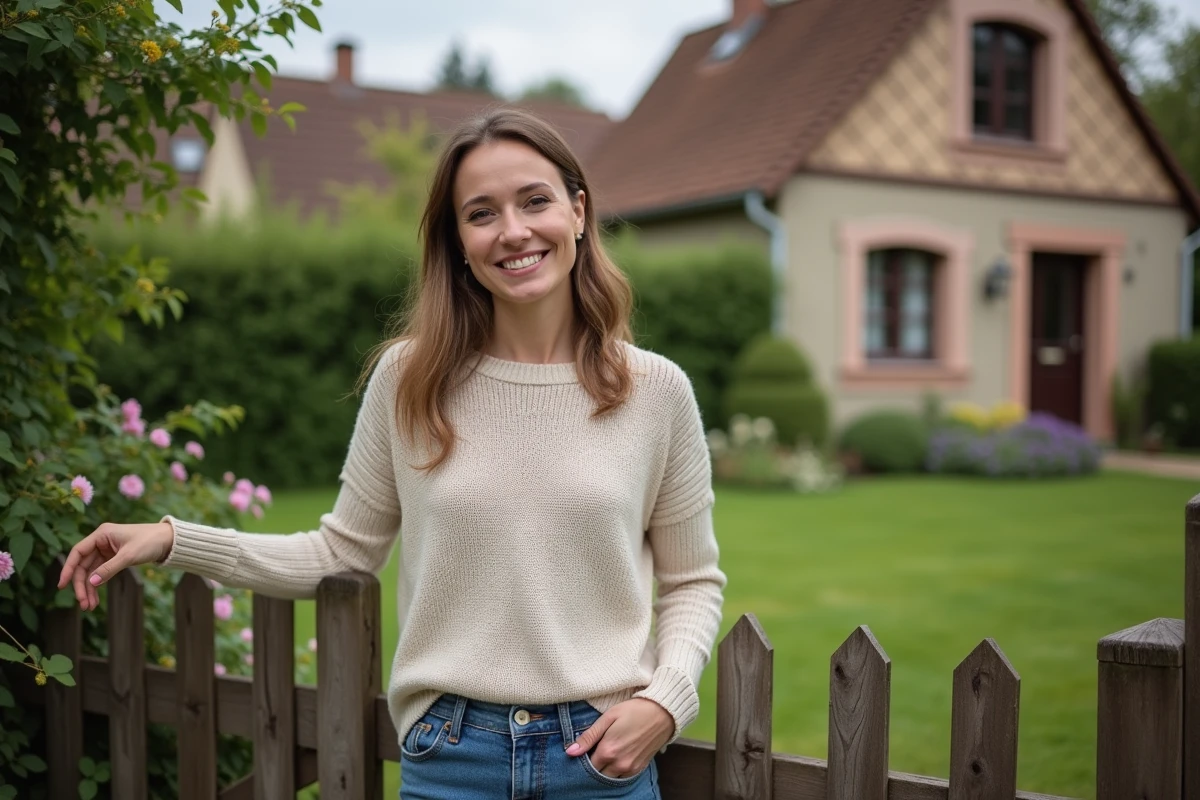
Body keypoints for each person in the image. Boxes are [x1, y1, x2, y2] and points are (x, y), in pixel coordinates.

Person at [58, 107, 726, 799]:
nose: (514, 231)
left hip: (600, 758)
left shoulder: (655, 391)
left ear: (578, 212)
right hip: (451, 760)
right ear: (458, 241)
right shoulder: (411, 381)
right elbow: (341, 553)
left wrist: (666, 700)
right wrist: (171, 539)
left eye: (535, 201)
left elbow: (692, 581)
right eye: (481, 213)